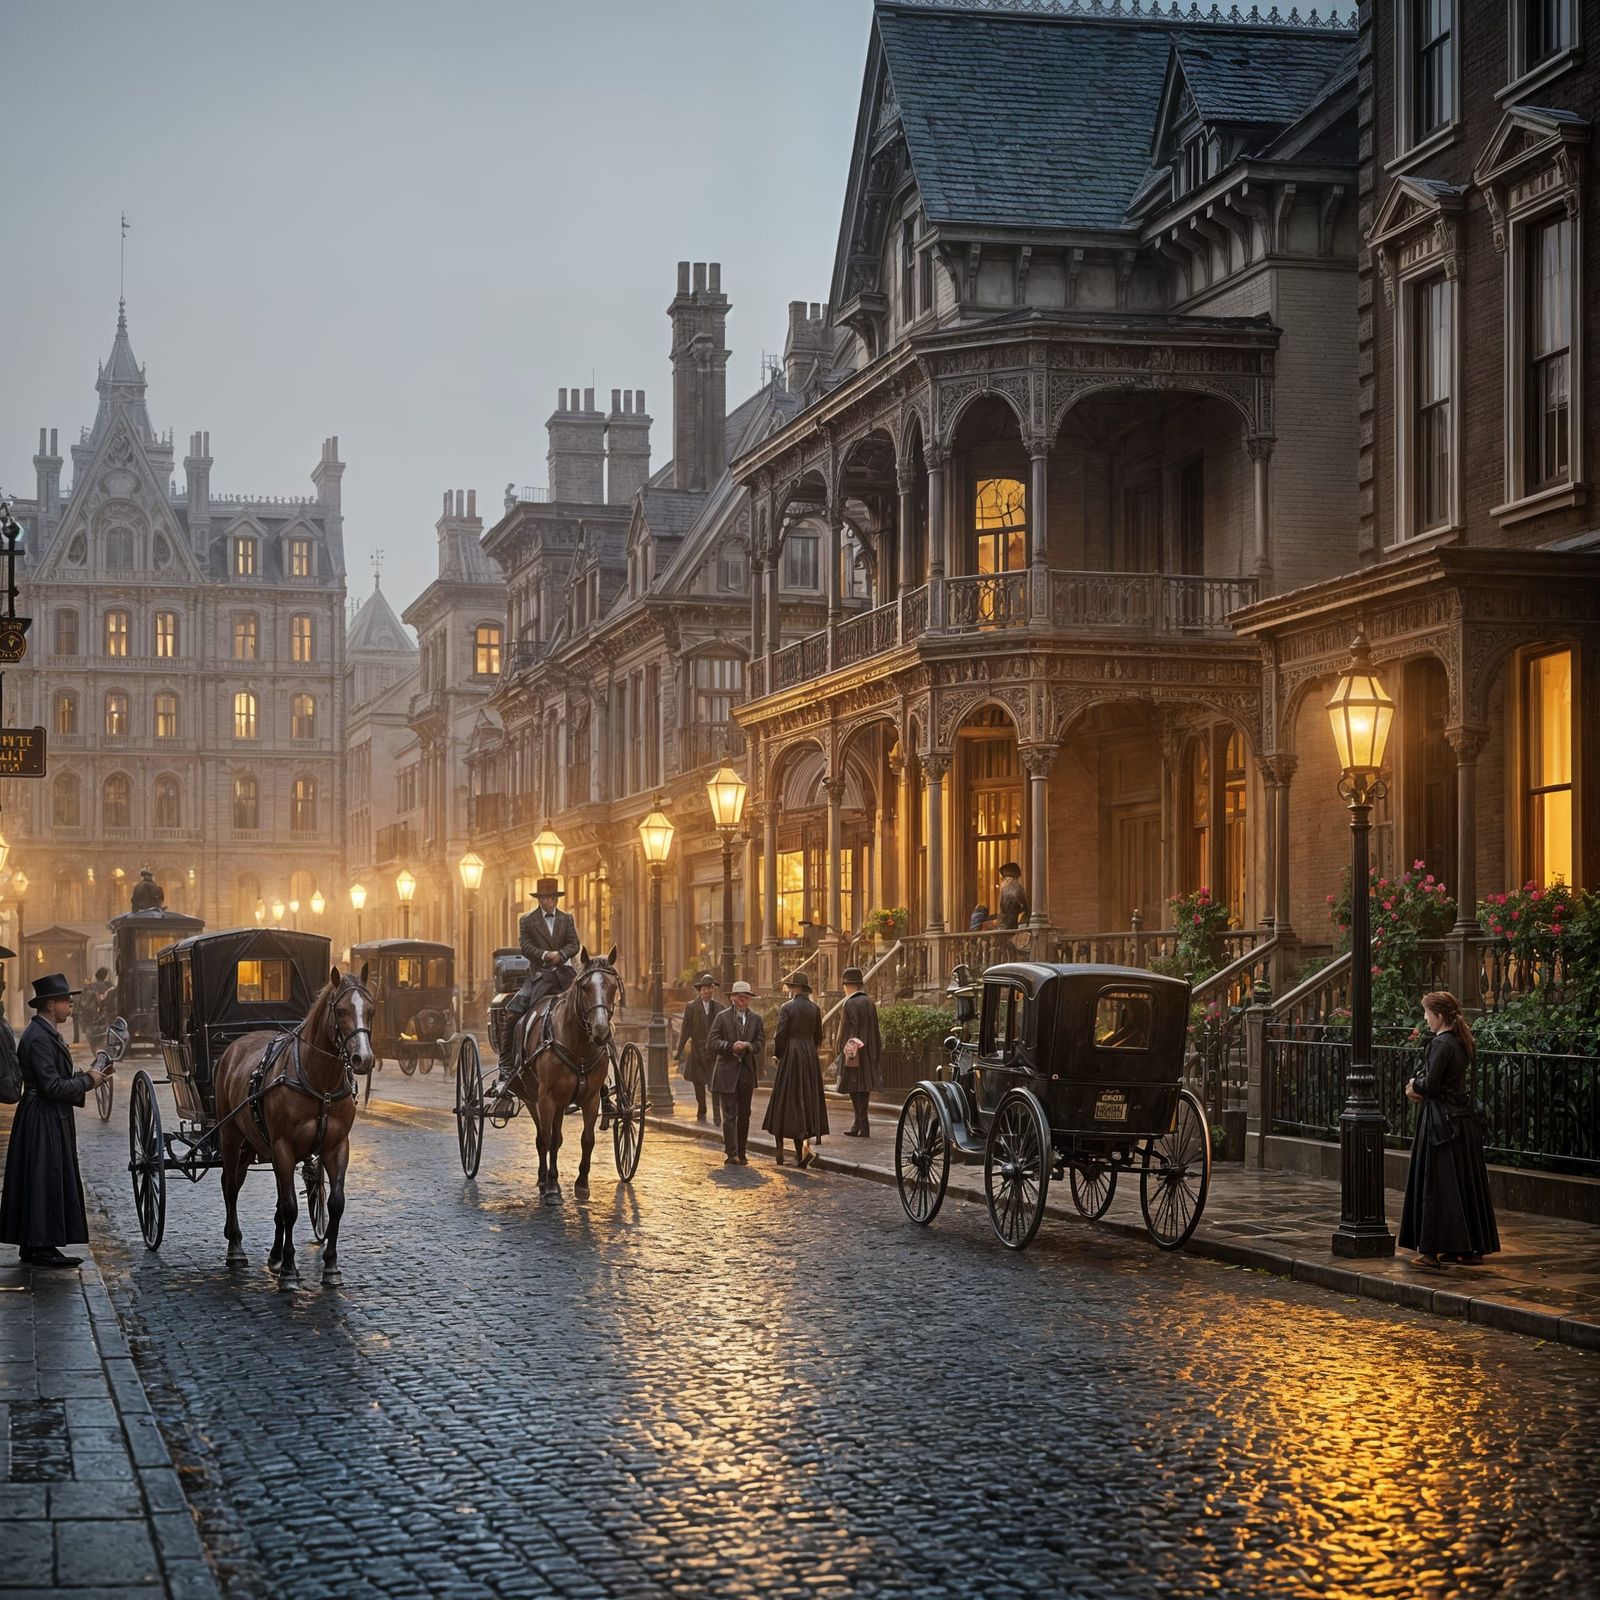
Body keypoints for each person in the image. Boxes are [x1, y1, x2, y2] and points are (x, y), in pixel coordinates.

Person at [0, 973, 111, 1270]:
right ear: (50, 1004)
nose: (71, 1005)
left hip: (48, 1115)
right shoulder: (38, 1038)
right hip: (41, 1117)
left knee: (44, 1177)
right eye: (66, 1001)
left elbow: (57, 1080)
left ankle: (38, 1243)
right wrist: (88, 1080)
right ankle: (39, 1245)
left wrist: (85, 1076)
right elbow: (52, 1087)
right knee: (42, 1177)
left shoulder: (45, 1033)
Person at [1399, 990, 1500, 1271]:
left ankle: (1430, 1252)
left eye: (1427, 1013)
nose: (1425, 1018)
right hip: (1460, 1121)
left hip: (1440, 1124)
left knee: (1437, 1185)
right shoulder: (1459, 1041)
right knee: (1462, 1184)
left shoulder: (1441, 1044)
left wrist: (1412, 1085)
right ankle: (1468, 1250)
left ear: (1439, 1016)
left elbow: (1431, 1084)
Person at [497, 877, 581, 1085]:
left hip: (565, 976)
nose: (548, 902)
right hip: (538, 977)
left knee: (591, 1010)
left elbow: (574, 944)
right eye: (544, 898)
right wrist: (544, 955)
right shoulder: (527, 920)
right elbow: (525, 946)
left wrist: (561, 954)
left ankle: (603, 1067)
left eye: (551, 898)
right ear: (539, 899)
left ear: (556, 899)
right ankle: (507, 1064)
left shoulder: (566, 919)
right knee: (514, 1013)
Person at [763, 972, 828, 1168]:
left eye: (791, 987)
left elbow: (780, 1035)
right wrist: (809, 1050)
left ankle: (781, 1151)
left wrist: (778, 1054)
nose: (790, 990)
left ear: (795, 989)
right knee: (807, 1097)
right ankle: (803, 1148)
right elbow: (818, 1036)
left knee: (785, 1099)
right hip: (809, 1054)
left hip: (791, 1054)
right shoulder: (815, 1009)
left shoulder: (787, 1007)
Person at [707, 980, 764, 1166]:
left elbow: (760, 1042)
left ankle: (742, 1152)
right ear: (732, 998)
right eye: (740, 998)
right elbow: (712, 1042)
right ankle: (731, 1153)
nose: (744, 1002)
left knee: (744, 1115)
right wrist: (731, 1046)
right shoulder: (722, 1017)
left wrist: (750, 1046)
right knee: (729, 1115)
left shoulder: (756, 1019)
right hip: (726, 1073)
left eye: (747, 999)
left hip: (746, 1074)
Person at [836, 966, 883, 1138]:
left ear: (847, 985)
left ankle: (861, 1124)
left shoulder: (849, 1002)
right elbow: (875, 1031)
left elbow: (844, 1031)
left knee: (854, 1088)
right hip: (868, 1051)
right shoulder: (869, 1002)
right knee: (863, 1088)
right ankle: (860, 1124)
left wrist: (840, 1050)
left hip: (853, 1053)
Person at [676, 974, 724, 1124]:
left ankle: (717, 1114)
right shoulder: (691, 1007)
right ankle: (701, 1110)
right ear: (700, 990)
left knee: (715, 1084)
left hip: (714, 1051)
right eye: (705, 988)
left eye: (710, 988)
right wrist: (679, 1051)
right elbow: (685, 1030)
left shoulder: (720, 1007)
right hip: (697, 1049)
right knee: (698, 1083)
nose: (708, 991)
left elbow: (724, 1030)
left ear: (713, 989)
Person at [997, 862, 1030, 929]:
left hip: (1007, 923)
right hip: (1009, 922)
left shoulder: (1008, 884)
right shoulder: (1013, 884)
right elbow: (1024, 905)